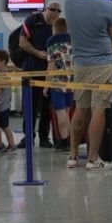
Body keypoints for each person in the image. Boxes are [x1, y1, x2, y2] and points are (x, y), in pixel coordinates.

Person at [63, 0, 112, 171]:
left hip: (80, 62)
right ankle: (93, 158)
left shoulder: (69, 3)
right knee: (99, 109)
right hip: (102, 62)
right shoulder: (107, 6)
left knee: (80, 108)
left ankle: (72, 156)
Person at [16, 1, 62, 148]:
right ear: (46, 9)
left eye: (58, 11)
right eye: (52, 9)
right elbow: (22, 42)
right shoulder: (33, 20)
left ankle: (44, 137)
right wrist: (37, 53)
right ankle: (28, 137)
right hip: (31, 70)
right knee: (29, 105)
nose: (54, 13)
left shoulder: (58, 26)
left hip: (50, 73)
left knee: (47, 106)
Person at [45, 17, 73, 151]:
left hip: (57, 83)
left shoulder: (52, 43)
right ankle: (70, 141)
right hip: (72, 82)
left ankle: (64, 141)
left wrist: (46, 86)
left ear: (55, 28)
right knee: (67, 114)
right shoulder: (73, 41)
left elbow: (51, 67)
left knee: (61, 115)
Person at [0, 49, 16, 153]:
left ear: (3, 61)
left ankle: (12, 145)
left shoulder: (4, 75)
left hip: (3, 106)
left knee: (5, 126)